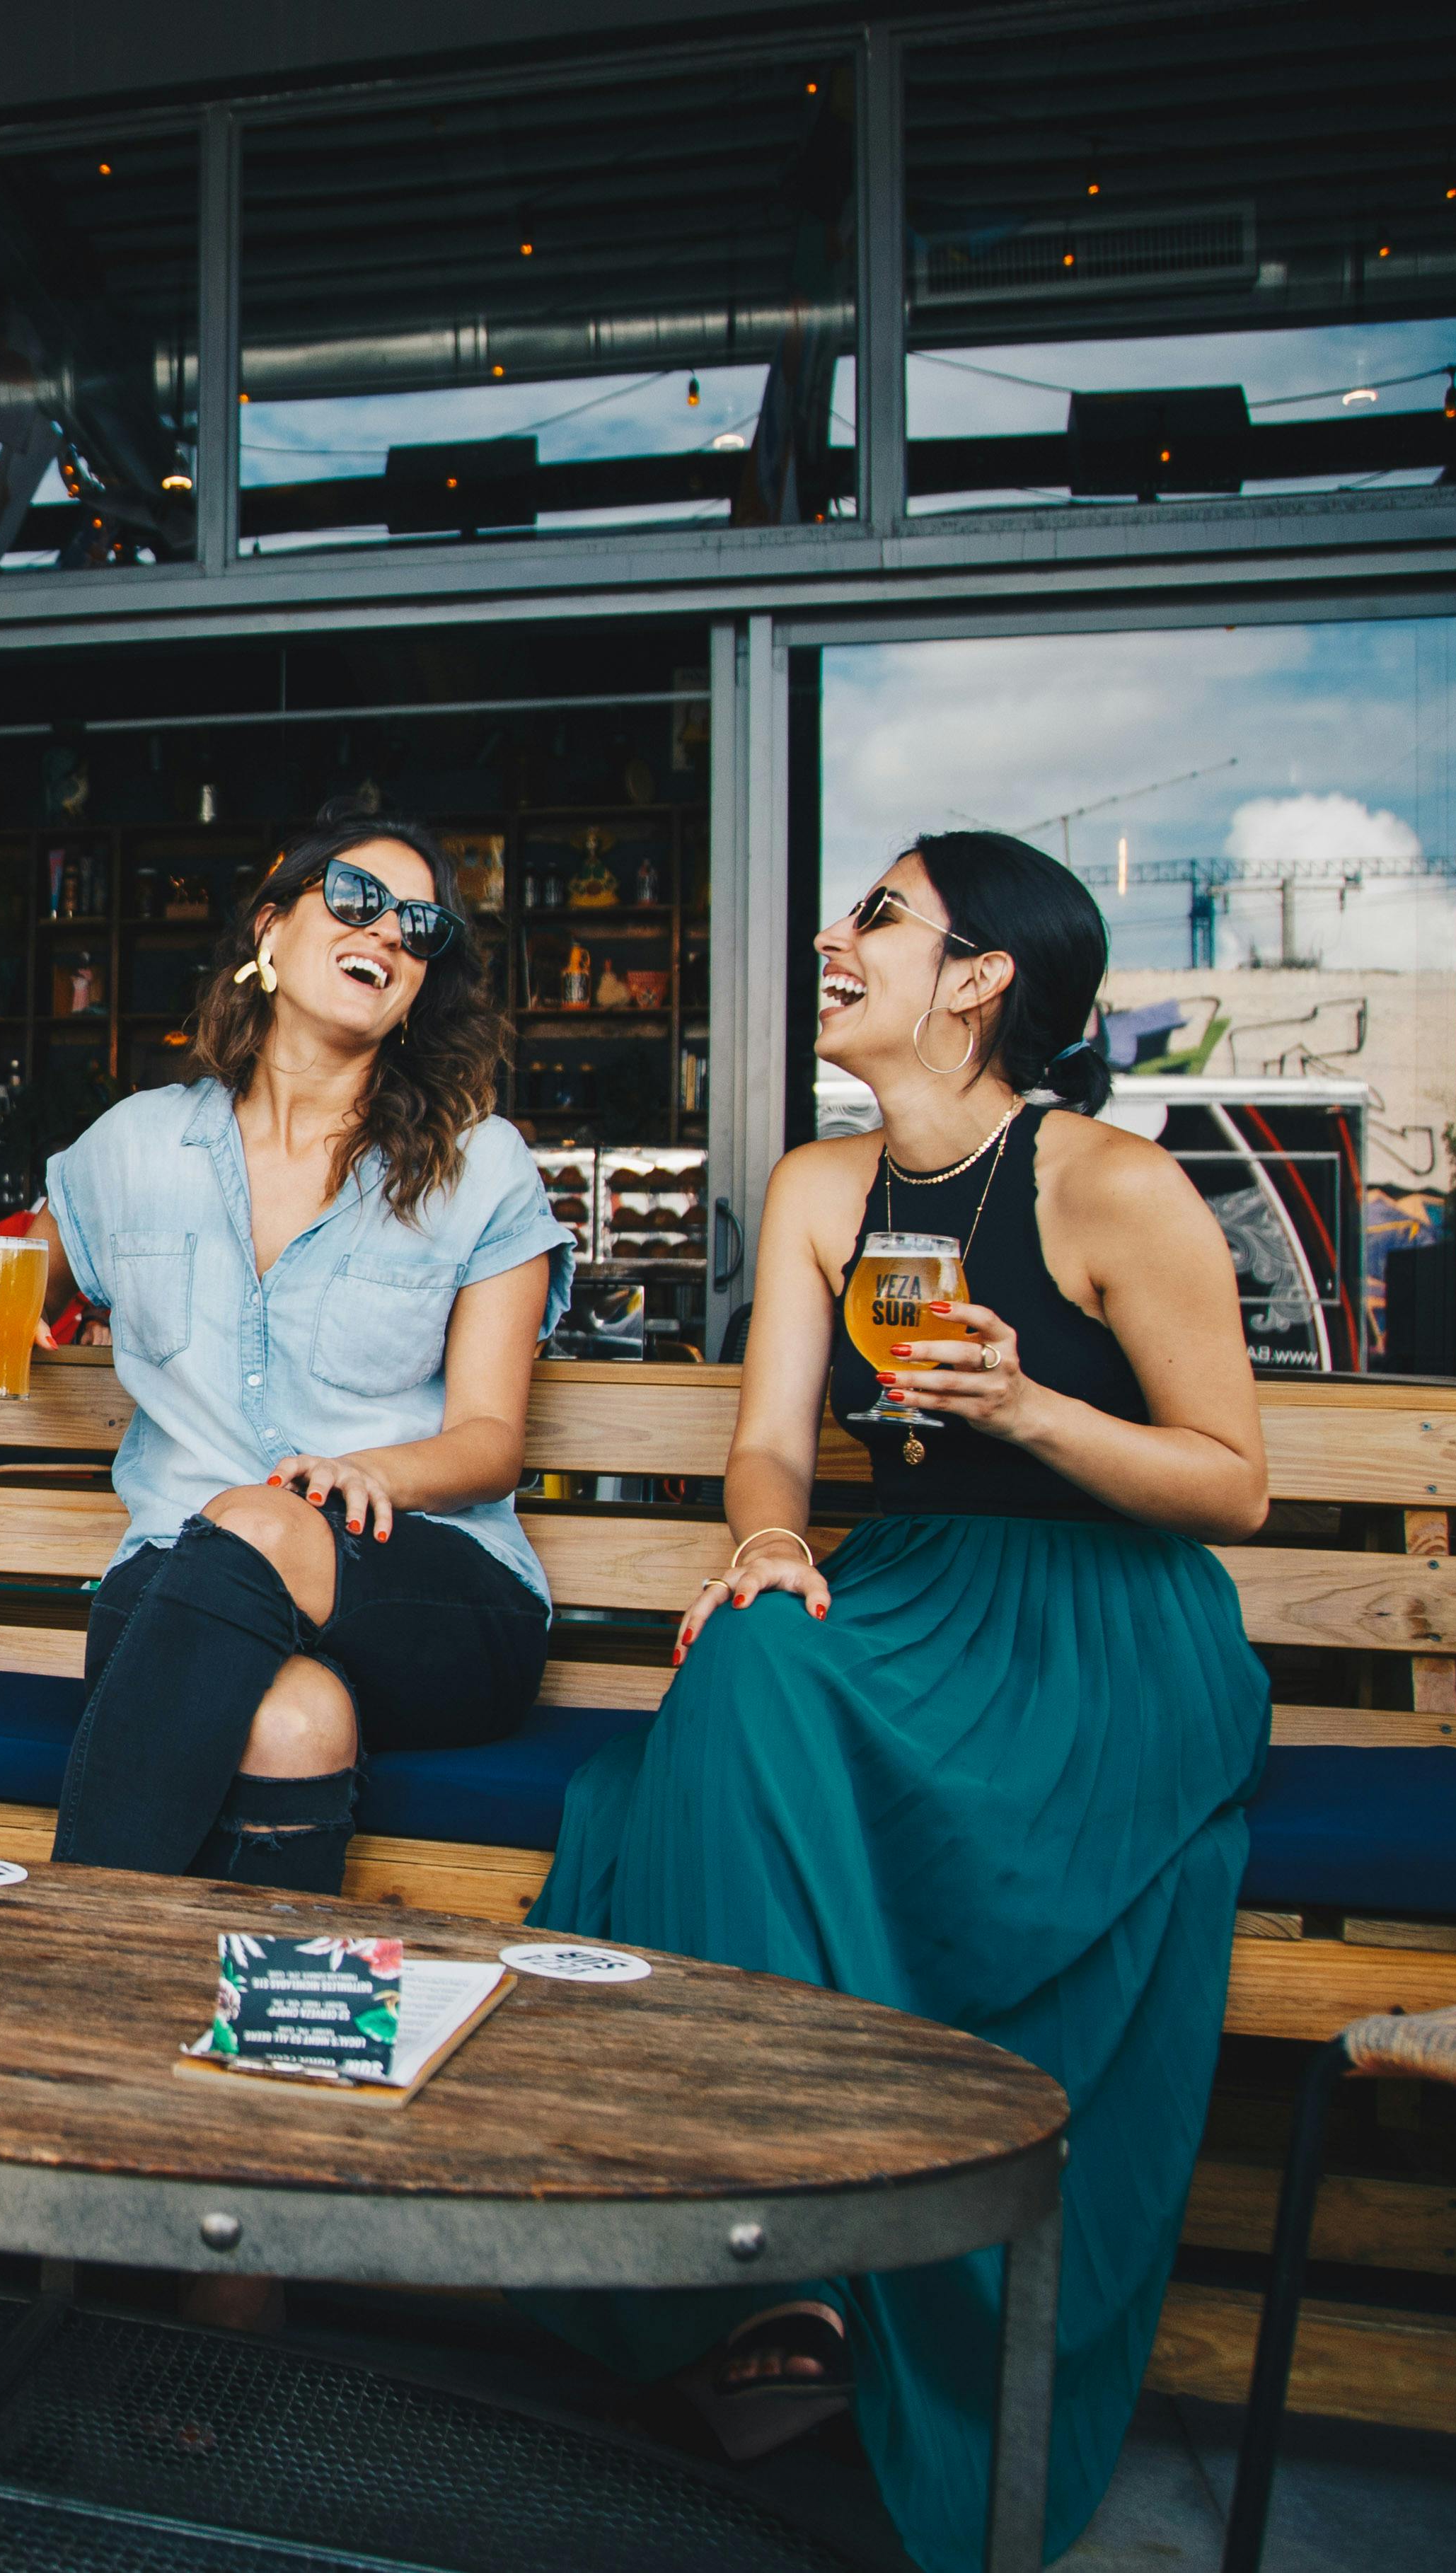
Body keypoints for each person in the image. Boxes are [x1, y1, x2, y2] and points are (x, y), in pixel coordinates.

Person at [520, 832, 1268, 2573]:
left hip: (1104, 1632)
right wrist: (770, 1539)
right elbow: (773, 1438)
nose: (829, 939)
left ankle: (843, 2257)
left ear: (980, 977)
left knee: (727, 1737)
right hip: (908, 1585)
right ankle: (767, 2242)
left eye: (875, 916)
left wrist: (1030, 1416)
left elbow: (1233, 1485)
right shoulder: (816, 1187)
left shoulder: (1108, 1186)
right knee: (747, 1653)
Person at [0, 806, 572, 1908]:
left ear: (423, 985)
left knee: (264, 1514)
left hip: (425, 1588)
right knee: (293, 1719)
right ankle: (253, 2050)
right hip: (179, 1589)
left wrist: (368, 1474)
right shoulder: (136, 1146)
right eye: (356, 899)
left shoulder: (482, 1166)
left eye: (420, 926)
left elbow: (489, 1443)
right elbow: (24, 1275)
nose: (390, 929)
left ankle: (65, 1941)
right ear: (272, 932)